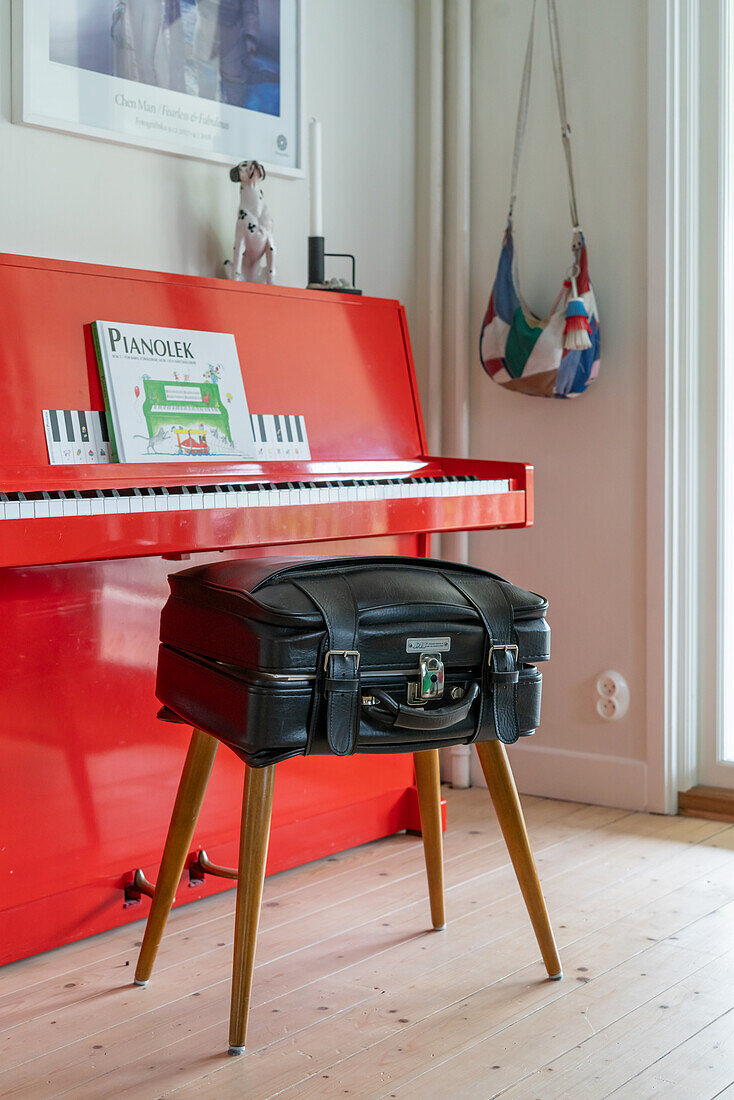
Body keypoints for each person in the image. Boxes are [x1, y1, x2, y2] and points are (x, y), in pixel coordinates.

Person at [127, 0, 163, 86]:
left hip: (152, 5)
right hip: (134, 4)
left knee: (147, 60)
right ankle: (143, 96)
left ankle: (151, 97)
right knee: (139, 59)